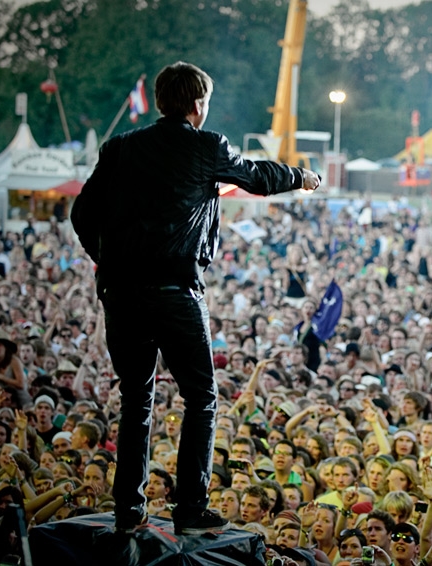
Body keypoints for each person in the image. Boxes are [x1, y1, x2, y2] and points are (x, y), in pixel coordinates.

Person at [71, 61, 320, 535]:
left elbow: (82, 213)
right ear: (197, 105)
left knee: (136, 400)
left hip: (121, 294)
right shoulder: (207, 146)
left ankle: (129, 509)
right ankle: (189, 507)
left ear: (162, 100)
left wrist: (106, 260)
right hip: (174, 290)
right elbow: (257, 177)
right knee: (201, 397)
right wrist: (302, 176)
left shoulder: (120, 147)